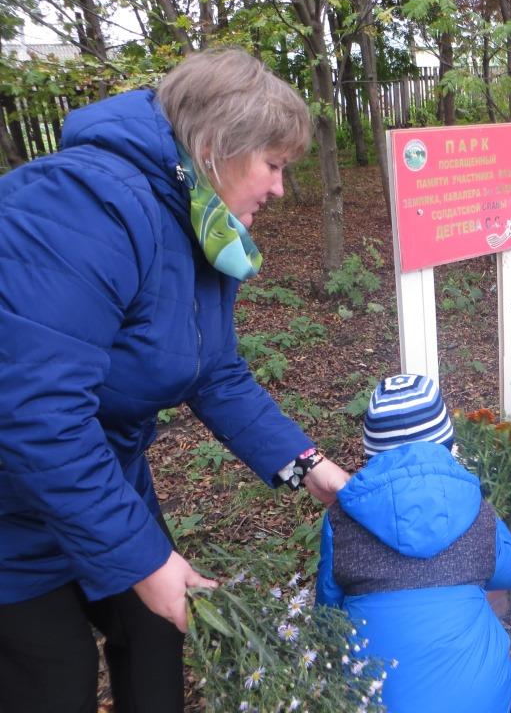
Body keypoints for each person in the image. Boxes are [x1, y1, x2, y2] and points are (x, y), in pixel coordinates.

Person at [0, 47, 350, 713]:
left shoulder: (197, 219)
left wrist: (309, 467)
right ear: (216, 147)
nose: (280, 188)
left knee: (156, 636)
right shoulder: (83, 207)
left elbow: (213, 372)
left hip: (103, 479)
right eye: (273, 165)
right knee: (54, 677)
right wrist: (144, 561)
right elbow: (36, 412)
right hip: (13, 512)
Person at [316, 374, 511, 713]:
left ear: (371, 452)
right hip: (481, 698)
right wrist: (483, 510)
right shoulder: (475, 510)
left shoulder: (341, 520)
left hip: (373, 699)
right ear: (448, 443)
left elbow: (327, 611)